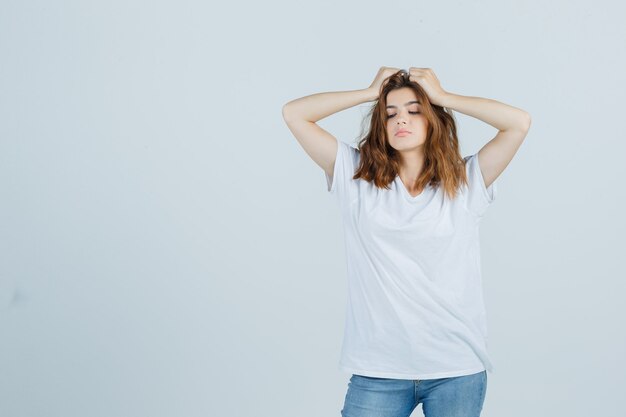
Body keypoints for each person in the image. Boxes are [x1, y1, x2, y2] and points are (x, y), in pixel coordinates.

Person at [281, 67, 531, 417]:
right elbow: (295, 114)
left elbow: (518, 122)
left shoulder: (466, 181)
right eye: (390, 113)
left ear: (433, 121)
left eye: (415, 111)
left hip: (455, 368)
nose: (402, 119)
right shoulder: (356, 177)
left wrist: (443, 97)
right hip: (378, 369)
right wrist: (369, 93)